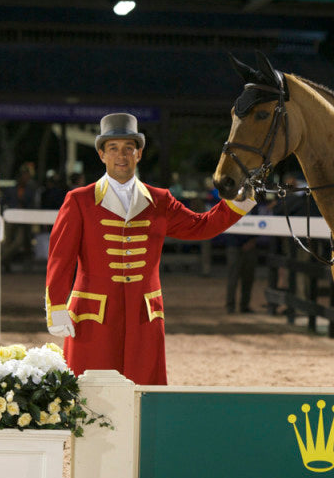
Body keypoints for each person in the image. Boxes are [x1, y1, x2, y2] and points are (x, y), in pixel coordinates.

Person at [45, 113, 254, 385]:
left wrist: (237, 203)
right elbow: (61, 258)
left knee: (143, 388)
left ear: (139, 154)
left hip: (144, 315)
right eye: (113, 149)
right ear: (101, 155)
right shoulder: (79, 200)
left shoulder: (160, 200)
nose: (122, 156)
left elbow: (201, 226)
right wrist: (57, 306)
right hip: (93, 315)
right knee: (90, 390)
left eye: (128, 149)